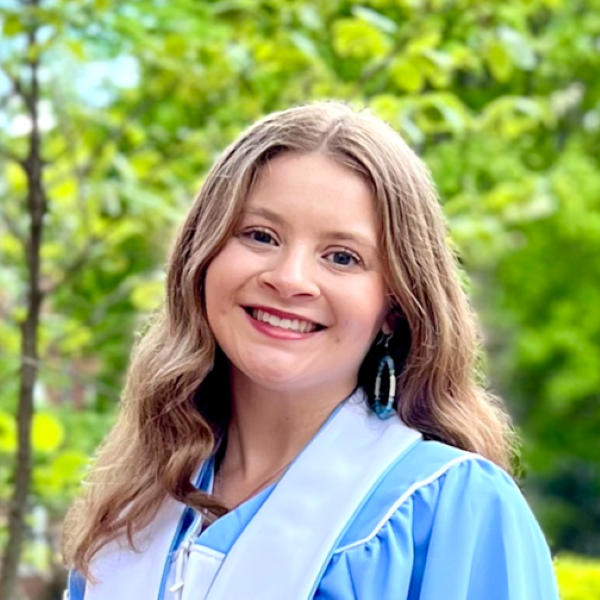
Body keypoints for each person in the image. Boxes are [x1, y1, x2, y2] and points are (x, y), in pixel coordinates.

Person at [62, 102, 559, 599]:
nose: (289, 279)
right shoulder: (135, 508)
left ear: (396, 305)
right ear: (202, 257)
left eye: (342, 257)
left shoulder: (452, 510)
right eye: (260, 235)